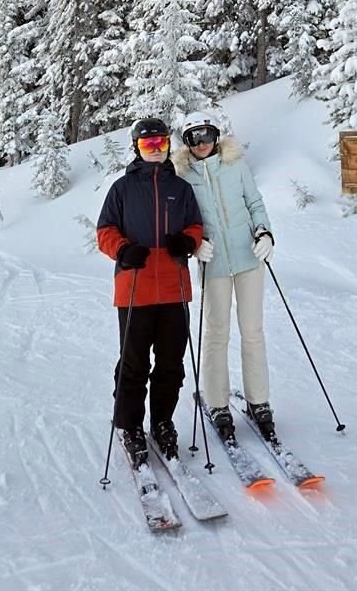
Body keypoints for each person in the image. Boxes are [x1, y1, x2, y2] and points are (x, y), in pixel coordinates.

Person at [97, 117, 203, 467]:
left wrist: (188, 240)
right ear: (137, 149)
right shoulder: (122, 189)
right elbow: (105, 231)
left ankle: (162, 422)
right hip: (135, 290)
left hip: (174, 289)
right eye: (148, 145)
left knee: (171, 365)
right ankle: (129, 426)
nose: (156, 150)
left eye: (160, 144)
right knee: (133, 364)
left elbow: (195, 225)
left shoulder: (182, 189)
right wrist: (123, 250)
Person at [173, 111, 276, 441]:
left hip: (249, 257)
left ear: (216, 136)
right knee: (216, 333)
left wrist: (264, 233)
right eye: (193, 138)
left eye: (205, 135)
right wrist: (195, 245)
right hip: (213, 262)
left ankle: (259, 401)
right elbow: (181, 221)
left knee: (252, 331)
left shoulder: (236, 165)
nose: (201, 144)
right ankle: (217, 403)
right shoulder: (183, 176)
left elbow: (255, 203)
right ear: (186, 143)